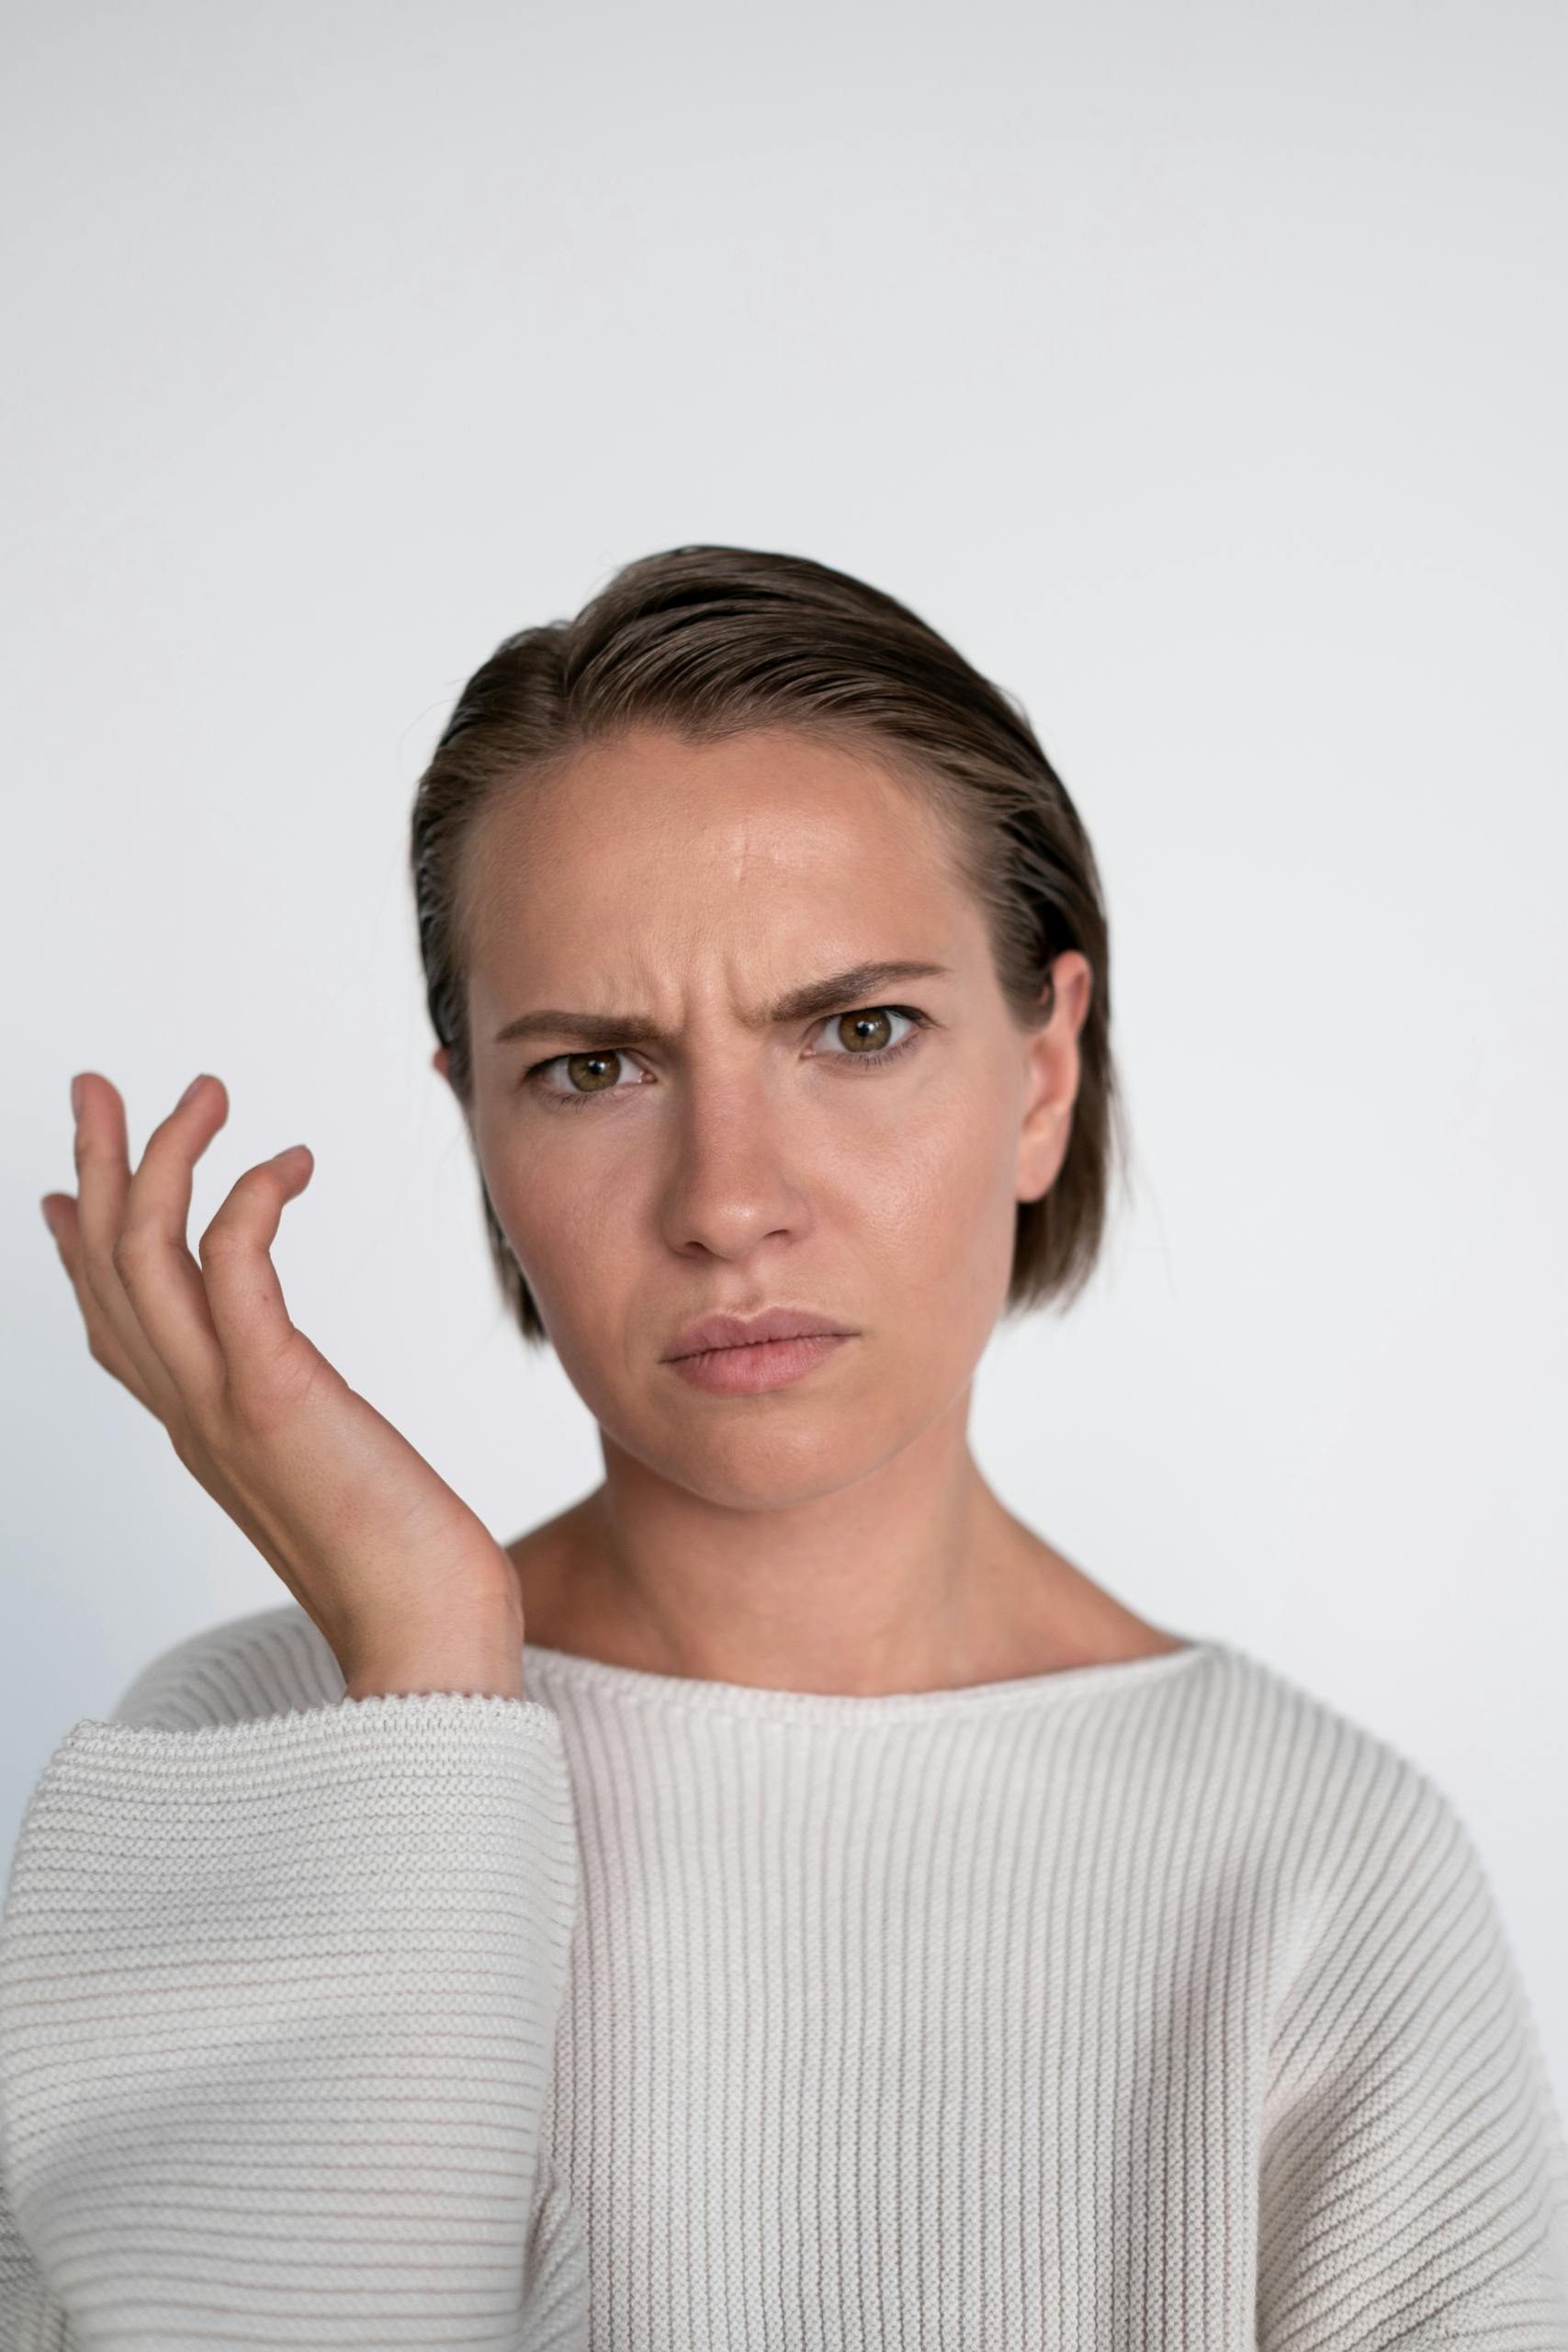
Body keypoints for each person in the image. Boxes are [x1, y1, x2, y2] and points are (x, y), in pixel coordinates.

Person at [6, 545, 1565, 2347]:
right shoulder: (236, 1754)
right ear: (475, 1127)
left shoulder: (1313, 1864)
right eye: (593, 1067)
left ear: (1041, 1071)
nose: (728, 1201)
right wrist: (430, 1673)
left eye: (858, 1027)